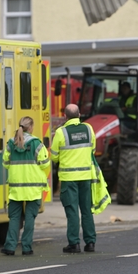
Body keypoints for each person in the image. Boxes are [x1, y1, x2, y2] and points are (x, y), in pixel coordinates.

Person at [50, 104, 97, 253]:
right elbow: (93, 150)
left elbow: (54, 156)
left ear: (65, 116)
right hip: (86, 176)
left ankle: (74, 243)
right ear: (79, 114)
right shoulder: (89, 129)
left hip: (69, 178)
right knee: (86, 210)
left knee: (72, 211)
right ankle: (90, 243)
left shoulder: (60, 132)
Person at [2, 116, 50, 256]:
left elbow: (5, 163)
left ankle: (10, 247)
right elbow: (45, 163)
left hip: (16, 188)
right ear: (31, 127)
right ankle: (26, 247)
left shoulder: (11, 143)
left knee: (14, 218)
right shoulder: (37, 144)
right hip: (33, 188)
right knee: (30, 217)